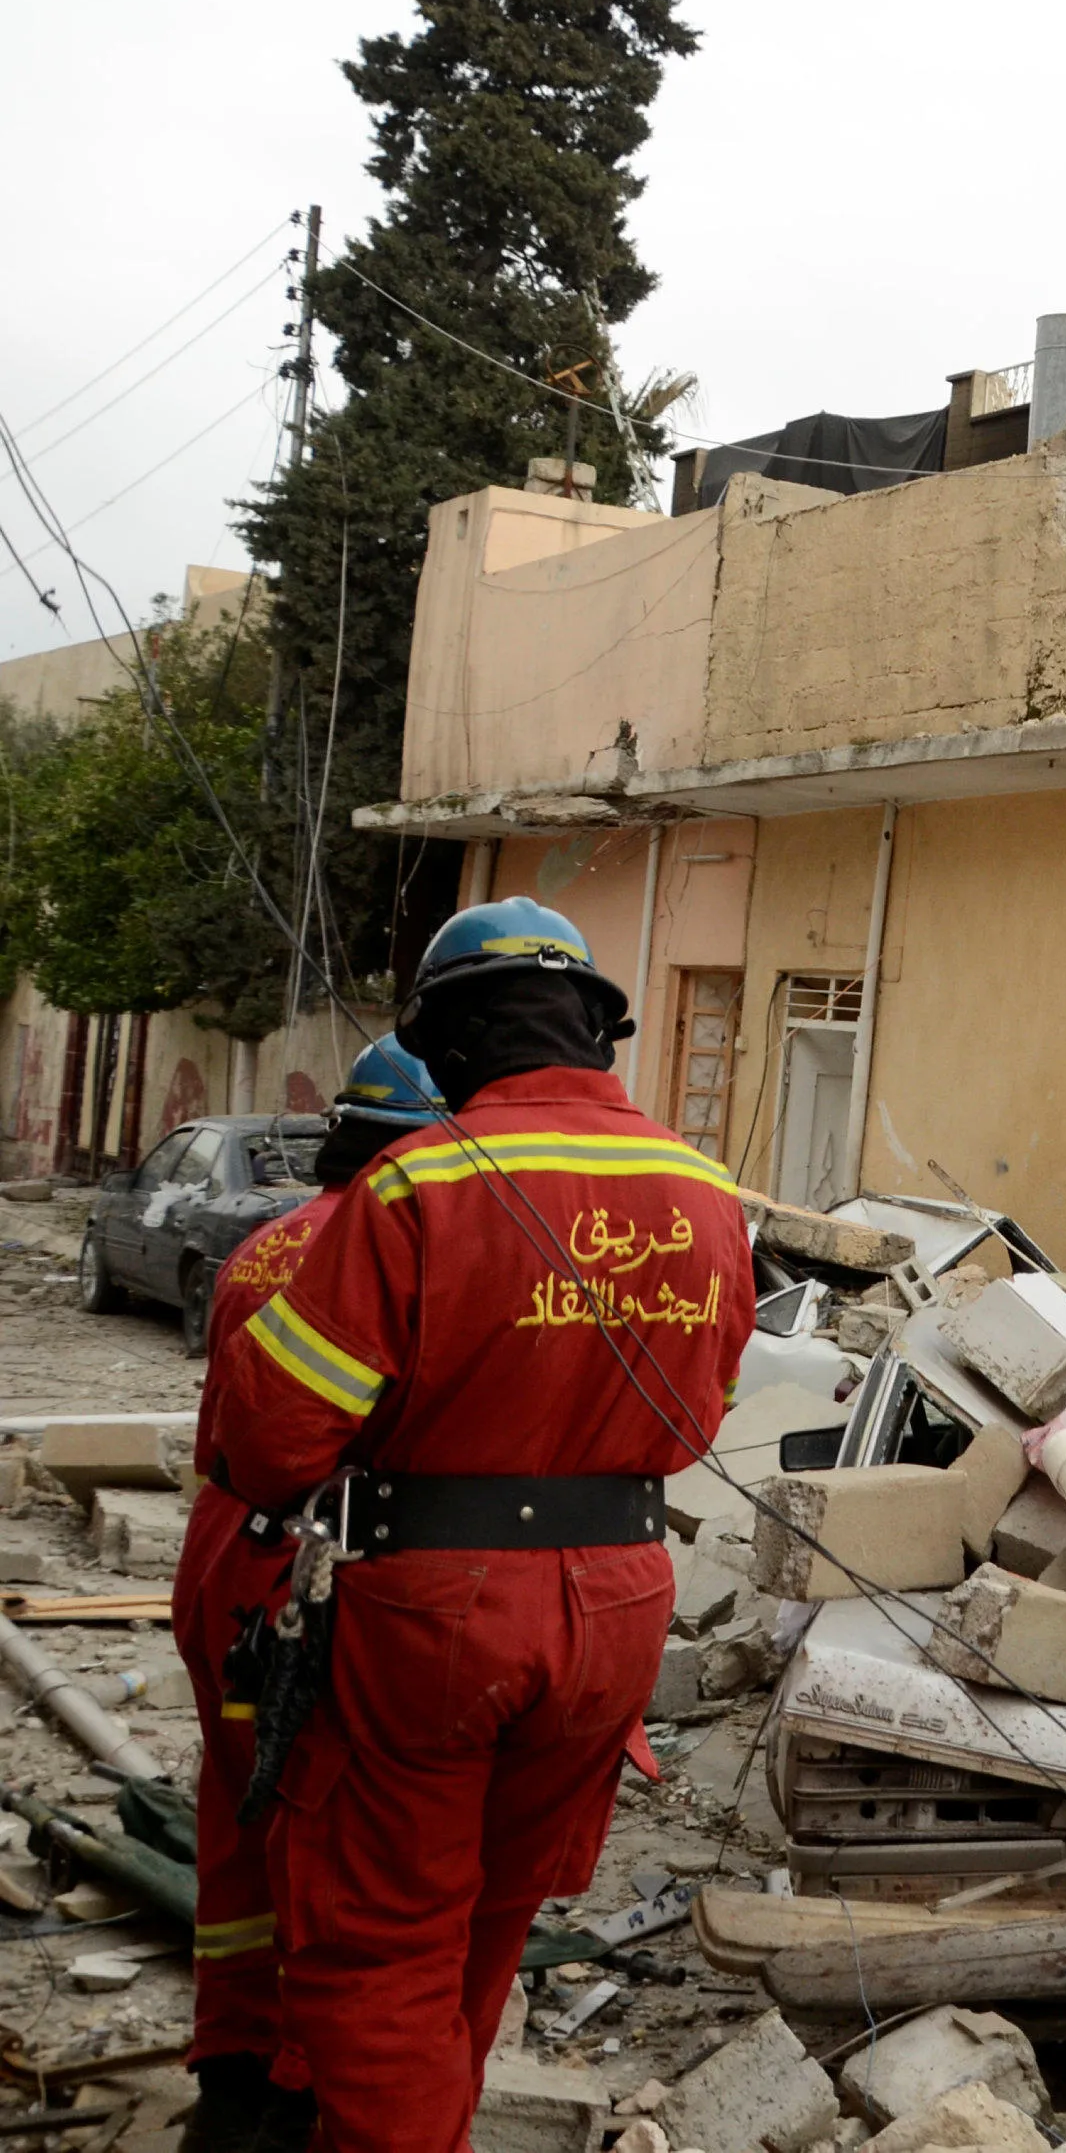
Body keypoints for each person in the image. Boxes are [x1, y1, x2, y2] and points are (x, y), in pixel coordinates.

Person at [217, 899, 749, 2153]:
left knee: (378, 1944)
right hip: (619, 1607)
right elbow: (707, 1406)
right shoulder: (702, 1186)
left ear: (451, 1043)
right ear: (592, 1035)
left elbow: (273, 1442)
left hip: (435, 1615)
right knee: (491, 1922)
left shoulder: (412, 1183)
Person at [171, 1037, 446, 2153]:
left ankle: (231, 2068)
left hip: (222, 1560)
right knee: (323, 1840)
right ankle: (297, 2087)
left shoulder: (265, 1250)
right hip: (315, 1581)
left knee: (238, 1824)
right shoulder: (413, 1252)